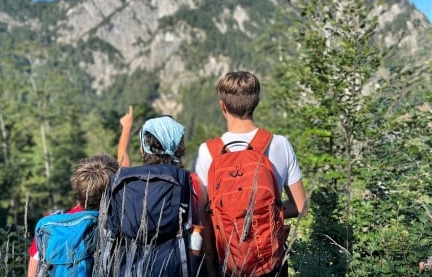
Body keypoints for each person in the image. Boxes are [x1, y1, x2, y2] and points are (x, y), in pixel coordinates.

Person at [193, 71, 308, 277]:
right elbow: (301, 208)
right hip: (271, 263)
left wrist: (210, 265)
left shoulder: (207, 151)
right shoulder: (280, 144)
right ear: (256, 102)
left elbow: (205, 217)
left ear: (222, 106)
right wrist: (269, 213)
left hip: (227, 263)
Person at [115, 109, 218, 277]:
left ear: (143, 148)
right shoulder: (192, 182)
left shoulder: (129, 181)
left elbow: (122, 159)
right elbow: (204, 236)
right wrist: (211, 269)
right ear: (179, 147)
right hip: (178, 269)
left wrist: (127, 127)